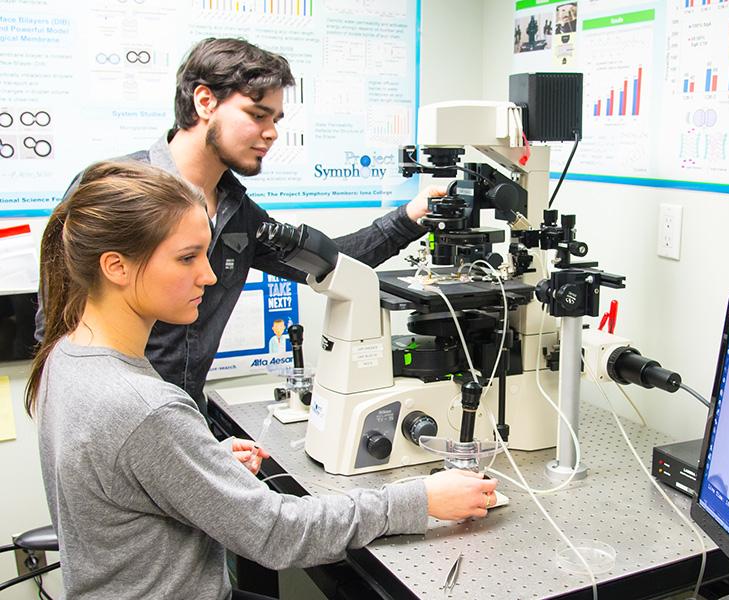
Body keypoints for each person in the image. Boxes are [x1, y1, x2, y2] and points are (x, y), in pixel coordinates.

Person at [27, 161, 498, 600]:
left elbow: (124, 471)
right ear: (116, 267)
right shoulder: (144, 406)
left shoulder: (68, 356)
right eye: (188, 258)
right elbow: (276, 534)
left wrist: (196, 461)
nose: (209, 276)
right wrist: (421, 499)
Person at [37, 37, 443, 412]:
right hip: (116, 416)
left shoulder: (239, 213)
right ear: (204, 102)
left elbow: (328, 263)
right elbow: (53, 326)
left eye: (277, 119)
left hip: (185, 415)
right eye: (257, 114)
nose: (271, 133)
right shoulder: (117, 190)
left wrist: (410, 217)